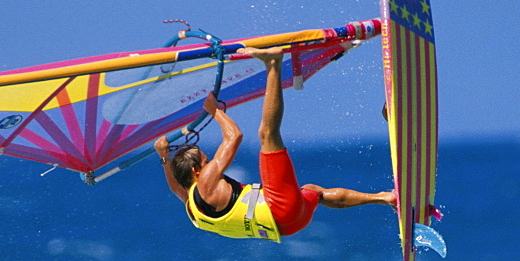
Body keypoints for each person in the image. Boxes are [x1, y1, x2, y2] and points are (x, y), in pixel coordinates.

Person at [155, 47, 395, 243]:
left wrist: (164, 156)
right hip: (279, 209)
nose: (210, 165)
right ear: (197, 171)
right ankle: (273, 64)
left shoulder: (191, 208)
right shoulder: (205, 182)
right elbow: (234, 136)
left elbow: (175, 187)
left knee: (315, 191)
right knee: (267, 134)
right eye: (205, 161)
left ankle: (385, 198)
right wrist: (215, 112)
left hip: (290, 225)